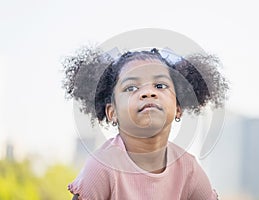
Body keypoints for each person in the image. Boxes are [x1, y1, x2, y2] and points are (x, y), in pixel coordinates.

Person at [62, 47, 228, 199]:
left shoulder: (189, 169)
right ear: (112, 112)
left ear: (178, 108)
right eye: (131, 88)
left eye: (160, 85)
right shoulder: (101, 168)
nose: (148, 92)